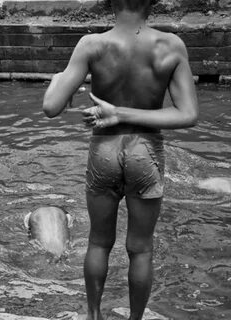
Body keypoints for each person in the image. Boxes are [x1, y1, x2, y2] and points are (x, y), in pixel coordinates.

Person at [42, 0, 199, 319]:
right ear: (153, 2)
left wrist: (58, 80)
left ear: (111, 2)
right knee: (140, 247)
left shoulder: (91, 44)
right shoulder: (171, 45)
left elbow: (51, 106)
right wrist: (124, 114)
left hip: (104, 151)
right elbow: (188, 113)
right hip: (146, 151)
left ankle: (94, 315)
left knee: (99, 242)